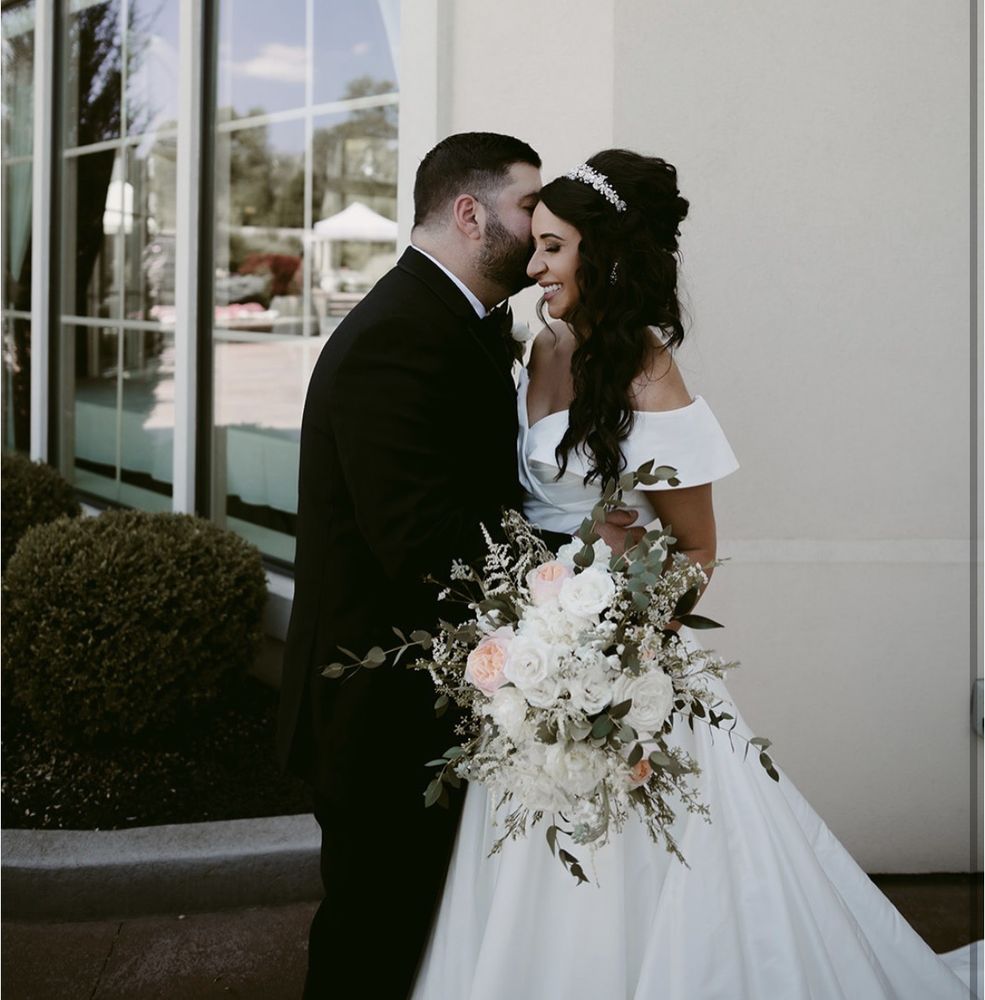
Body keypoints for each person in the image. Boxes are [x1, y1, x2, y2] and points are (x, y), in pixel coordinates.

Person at [410, 150, 979, 999]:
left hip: (621, 669)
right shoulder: (540, 347)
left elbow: (695, 550)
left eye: (553, 249)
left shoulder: (650, 380)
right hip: (532, 659)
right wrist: (541, 639)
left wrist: (614, 652)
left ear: (602, 257)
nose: (532, 269)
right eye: (536, 247)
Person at [277, 133, 641, 1000]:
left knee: (429, 932)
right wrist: (583, 566)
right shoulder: (396, 335)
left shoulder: (460, 323)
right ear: (470, 213)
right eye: (528, 207)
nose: (540, 227)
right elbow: (420, 538)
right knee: (373, 937)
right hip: (379, 708)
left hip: (449, 689)